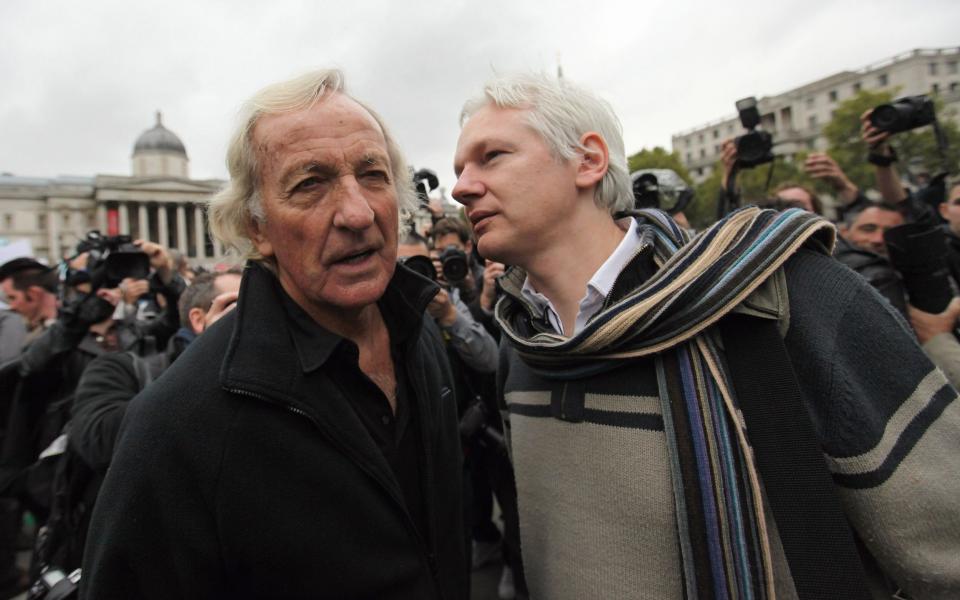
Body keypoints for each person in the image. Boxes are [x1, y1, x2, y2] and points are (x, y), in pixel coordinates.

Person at [452, 73, 959, 599]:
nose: (461, 187)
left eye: (492, 156)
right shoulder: (521, 343)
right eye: (459, 169)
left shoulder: (778, 297)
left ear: (588, 161)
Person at [81, 69, 466, 600]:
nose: (357, 212)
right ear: (256, 228)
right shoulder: (177, 423)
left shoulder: (420, 335)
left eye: (372, 174)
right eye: (310, 183)